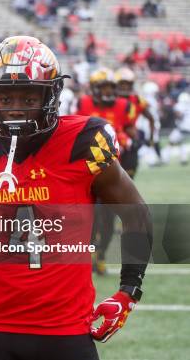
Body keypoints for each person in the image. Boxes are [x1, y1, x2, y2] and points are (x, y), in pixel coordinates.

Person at [0, 36, 151, 359]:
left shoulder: (84, 142)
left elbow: (136, 213)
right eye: (5, 97)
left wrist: (128, 292)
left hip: (67, 330)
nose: (15, 108)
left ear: (51, 96)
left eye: (29, 99)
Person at [77, 67, 134, 275]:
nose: (109, 91)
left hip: (112, 169)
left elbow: (130, 129)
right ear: (94, 88)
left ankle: (100, 255)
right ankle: (90, 253)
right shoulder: (83, 104)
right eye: (104, 87)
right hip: (89, 170)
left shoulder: (124, 105)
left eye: (111, 87)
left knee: (109, 219)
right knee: (90, 217)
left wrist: (129, 139)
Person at [114, 67, 155, 178]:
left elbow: (151, 118)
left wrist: (151, 138)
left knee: (129, 175)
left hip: (130, 140)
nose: (124, 87)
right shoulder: (110, 99)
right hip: (112, 139)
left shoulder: (136, 100)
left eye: (127, 84)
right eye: (122, 83)